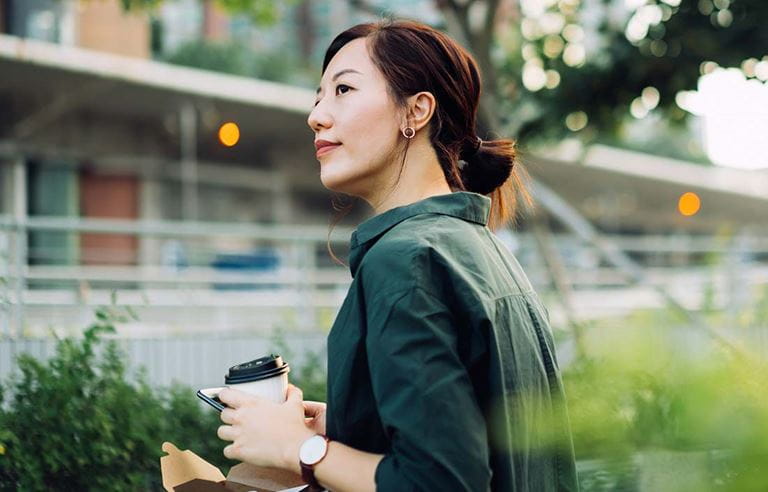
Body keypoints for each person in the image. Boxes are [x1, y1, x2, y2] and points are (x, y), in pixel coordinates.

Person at [215, 18, 579, 492]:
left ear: (416, 111)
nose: (317, 115)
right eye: (318, 96)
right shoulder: (478, 246)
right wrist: (343, 426)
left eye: (343, 90)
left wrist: (301, 450)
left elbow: (439, 482)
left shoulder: (405, 260)